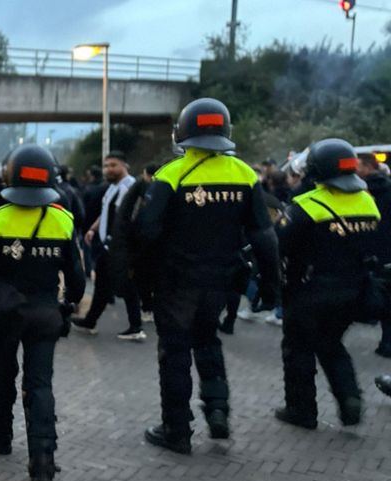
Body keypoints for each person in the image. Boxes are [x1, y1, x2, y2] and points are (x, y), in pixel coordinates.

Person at [135, 97, 279, 454]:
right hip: (221, 282)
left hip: (177, 284)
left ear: (182, 132)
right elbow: (264, 235)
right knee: (209, 342)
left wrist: (144, 286)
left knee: (175, 352)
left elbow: (145, 234)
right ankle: (218, 412)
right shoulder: (245, 175)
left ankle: (177, 430)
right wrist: (272, 285)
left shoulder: (171, 175)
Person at [0, 144, 84, 481]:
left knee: (0, 374)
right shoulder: (62, 221)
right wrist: (70, 304)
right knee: (40, 383)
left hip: (4, 314)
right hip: (45, 315)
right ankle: (43, 460)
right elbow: (76, 276)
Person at [276, 140, 379, 429]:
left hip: (310, 291)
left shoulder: (307, 205)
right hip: (354, 290)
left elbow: (278, 244)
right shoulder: (367, 201)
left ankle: (301, 410)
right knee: (332, 344)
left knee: (298, 350)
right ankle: (349, 399)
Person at [72, 152, 145, 340]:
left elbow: (124, 217)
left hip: (118, 246)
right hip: (109, 245)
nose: (108, 169)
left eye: (113, 165)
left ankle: (135, 327)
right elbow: (106, 212)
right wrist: (93, 229)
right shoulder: (113, 187)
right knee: (104, 285)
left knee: (125, 285)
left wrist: (117, 241)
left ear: (125, 166)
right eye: (106, 166)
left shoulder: (128, 187)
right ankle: (91, 321)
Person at [115, 163, 160, 323]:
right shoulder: (164, 191)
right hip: (156, 246)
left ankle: (147, 309)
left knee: (142, 279)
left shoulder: (144, 192)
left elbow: (135, 218)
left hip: (143, 246)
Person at [359, 153, 391, 357]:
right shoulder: (388, 187)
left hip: (371, 250)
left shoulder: (361, 191)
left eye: (358, 166)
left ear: (368, 167)